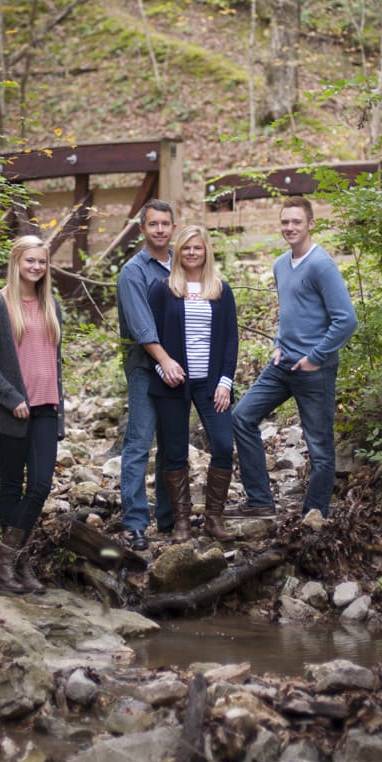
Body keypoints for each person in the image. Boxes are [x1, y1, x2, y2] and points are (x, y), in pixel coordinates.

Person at [225, 196, 357, 529]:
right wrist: (277, 345)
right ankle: (261, 502)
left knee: (320, 449)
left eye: (296, 221)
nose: (290, 227)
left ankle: (313, 517)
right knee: (242, 416)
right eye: (285, 222)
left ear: (310, 223)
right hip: (282, 366)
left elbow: (346, 320)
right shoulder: (281, 264)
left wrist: (316, 357)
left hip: (314, 371)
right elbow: (288, 312)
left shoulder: (321, 265)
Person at [0, 235, 64, 593]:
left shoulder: (50, 303)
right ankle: (16, 565)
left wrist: (60, 409)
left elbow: (54, 363)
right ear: (16, 263)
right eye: (30, 261)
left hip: (46, 407)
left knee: (40, 484)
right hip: (13, 412)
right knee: (11, 485)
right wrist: (11, 397)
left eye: (42, 262)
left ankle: (6, 560)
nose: (37, 268)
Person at [145, 224, 238, 543]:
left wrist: (225, 382)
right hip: (173, 384)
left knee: (224, 445)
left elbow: (230, 341)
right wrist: (162, 370)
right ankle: (182, 521)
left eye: (197, 247)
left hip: (211, 384)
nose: (192, 253)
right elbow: (149, 337)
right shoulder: (162, 289)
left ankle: (214, 518)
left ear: (206, 251)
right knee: (174, 452)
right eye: (186, 248)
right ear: (178, 252)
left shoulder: (221, 291)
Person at [116, 200, 178, 551]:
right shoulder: (133, 272)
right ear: (142, 229)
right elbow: (142, 327)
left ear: (172, 228)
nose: (159, 230)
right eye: (153, 224)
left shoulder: (180, 266)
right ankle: (136, 521)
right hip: (146, 369)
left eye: (165, 224)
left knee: (172, 445)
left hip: (177, 372)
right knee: (139, 443)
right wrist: (165, 361)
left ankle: (169, 518)